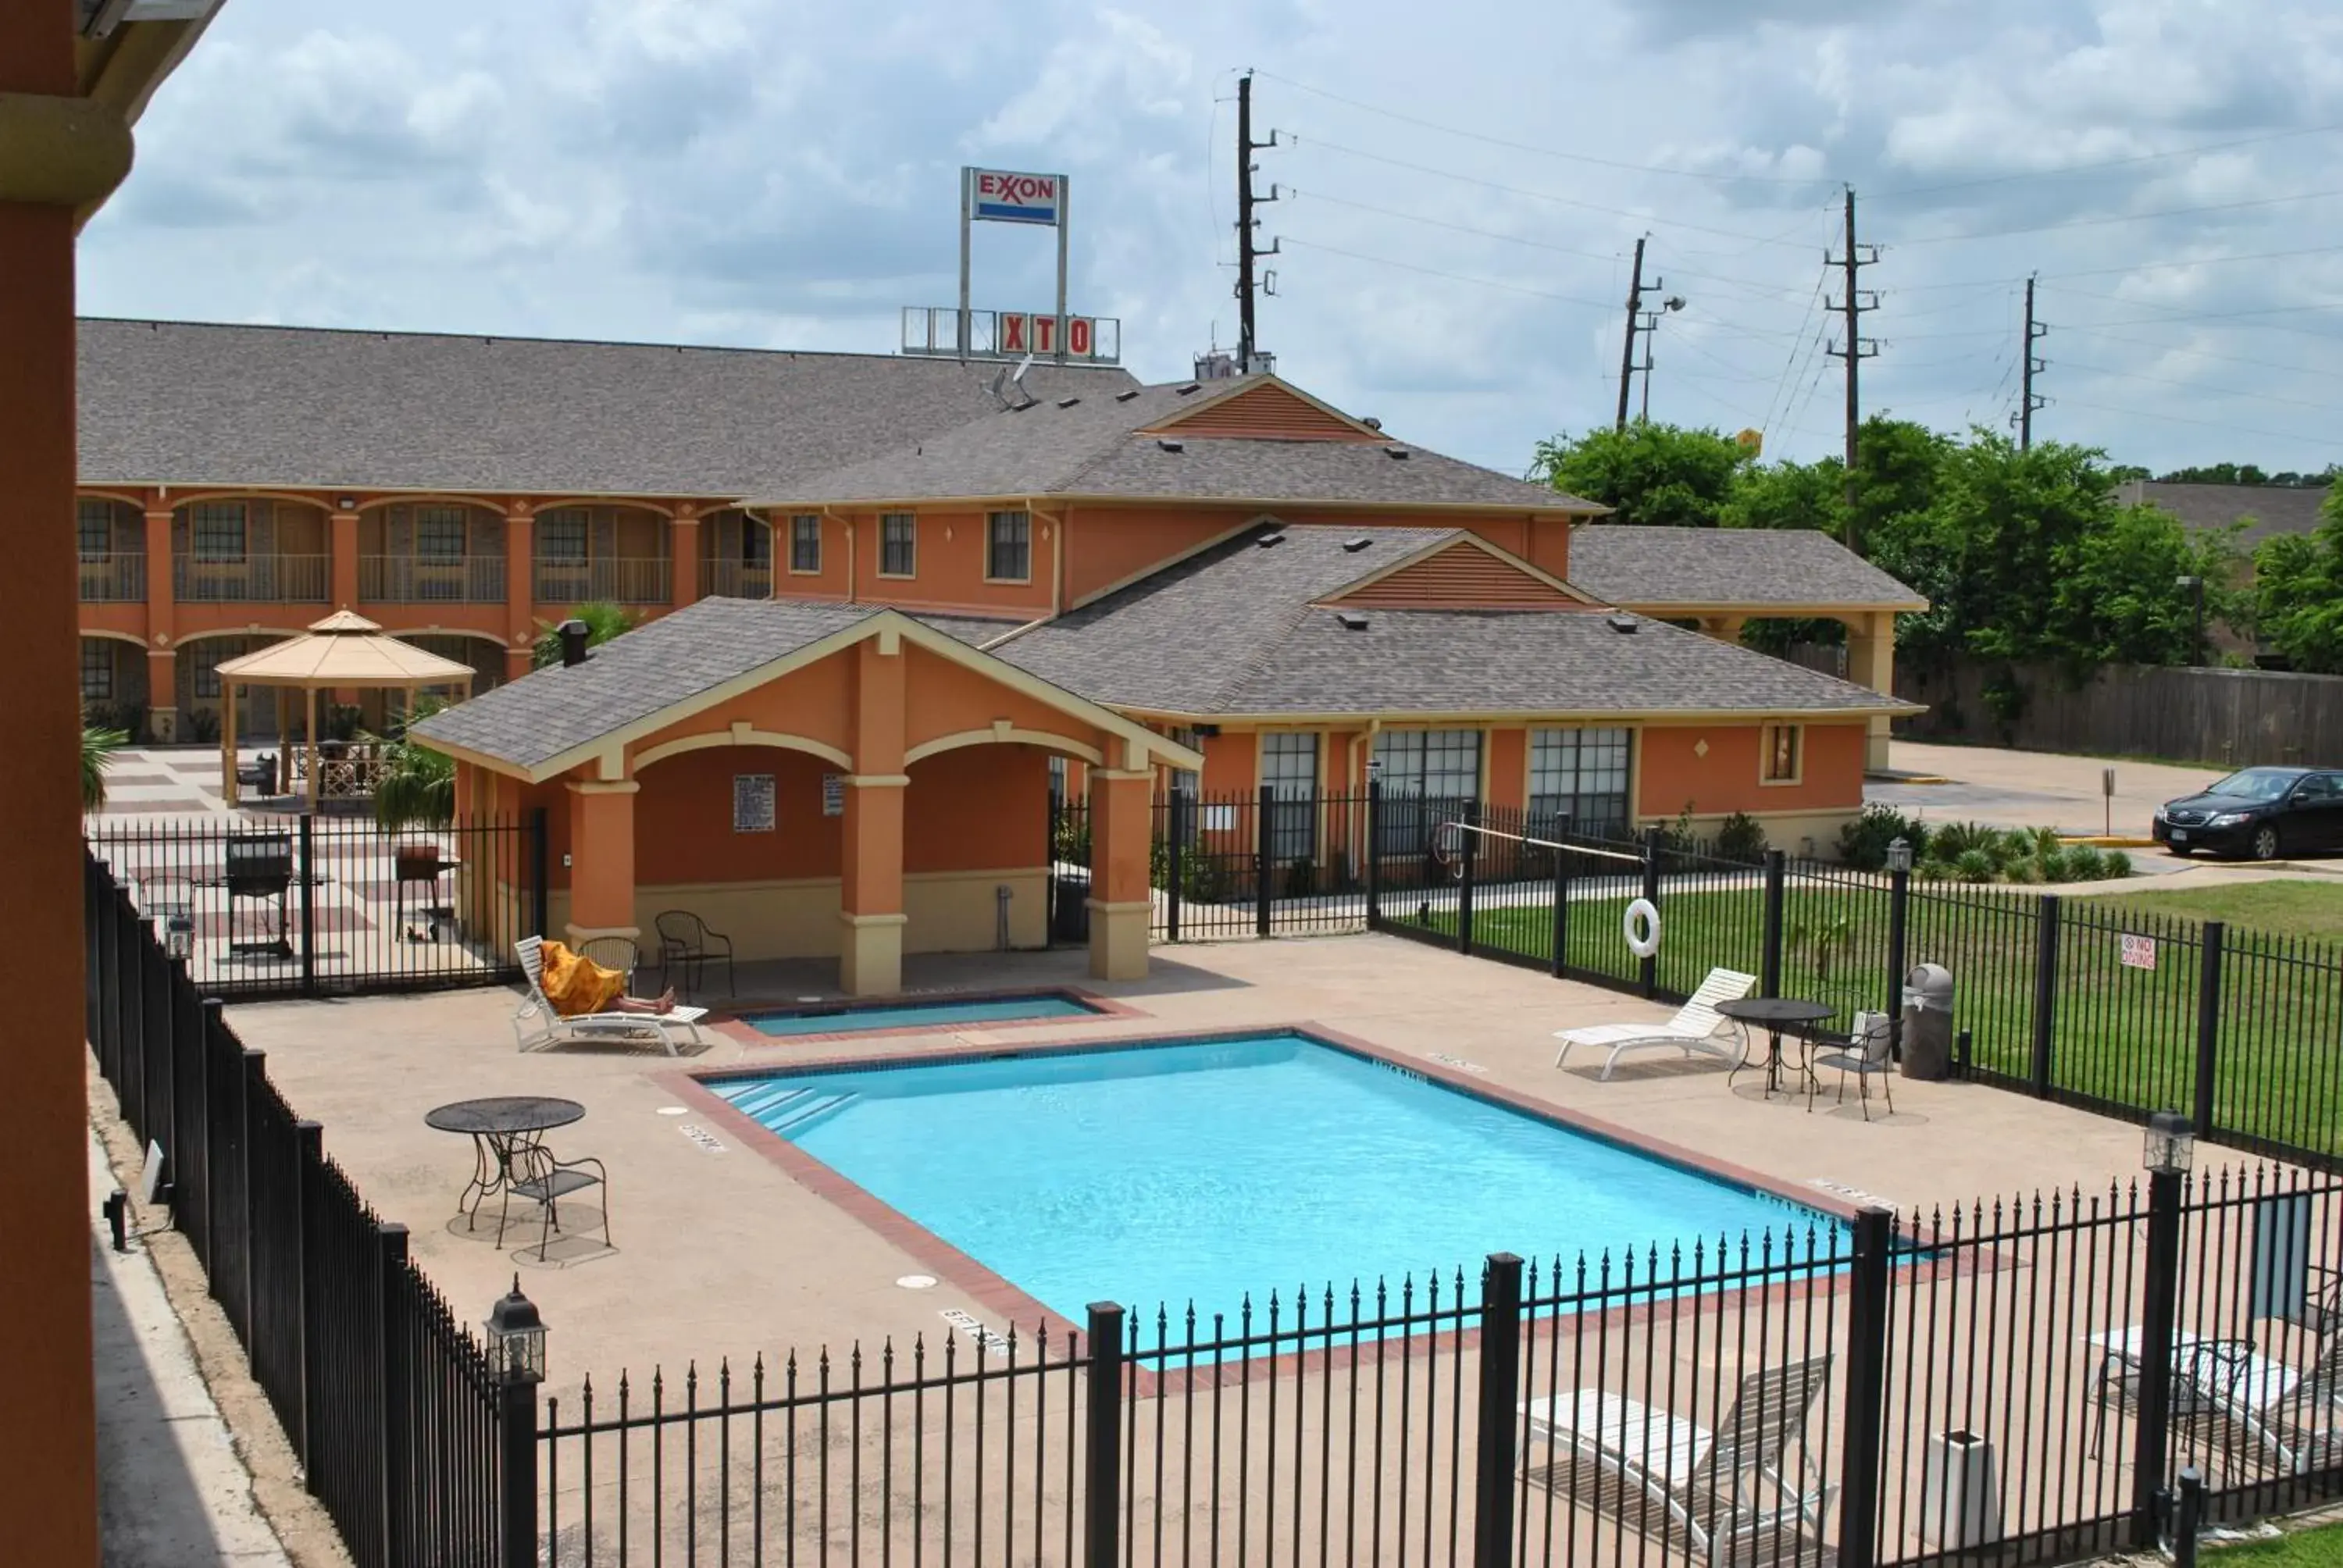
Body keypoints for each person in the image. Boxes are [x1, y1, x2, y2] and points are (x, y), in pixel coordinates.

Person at [537, 938, 682, 1017]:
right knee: (620, 1004)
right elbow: (559, 995)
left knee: (621, 999)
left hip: (589, 997)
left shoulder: (558, 970)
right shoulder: (549, 978)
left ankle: (656, 1003)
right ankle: (656, 1010)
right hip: (583, 1006)